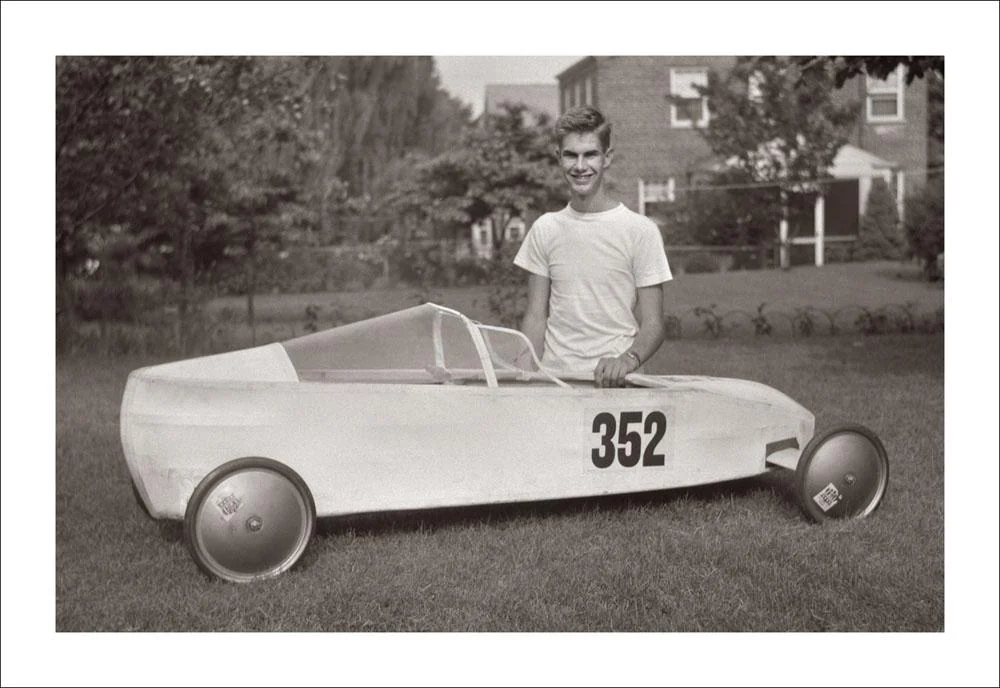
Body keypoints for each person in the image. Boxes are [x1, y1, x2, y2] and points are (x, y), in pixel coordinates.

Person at [513, 106, 672, 388]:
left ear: (607, 157)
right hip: (556, 380)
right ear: (559, 158)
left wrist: (626, 360)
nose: (580, 166)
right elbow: (536, 316)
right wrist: (523, 379)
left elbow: (654, 324)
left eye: (590, 154)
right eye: (571, 155)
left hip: (617, 384)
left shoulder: (640, 230)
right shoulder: (545, 228)